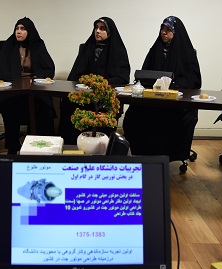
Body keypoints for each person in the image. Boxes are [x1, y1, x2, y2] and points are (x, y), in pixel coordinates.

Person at [123, 16, 201, 161]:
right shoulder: (155, 50)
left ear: (176, 32)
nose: (164, 32)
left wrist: (174, 84)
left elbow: (193, 81)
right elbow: (145, 74)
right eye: (162, 29)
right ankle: (141, 155)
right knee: (132, 116)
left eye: (169, 29)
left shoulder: (187, 53)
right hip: (153, 100)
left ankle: (164, 158)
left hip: (175, 102)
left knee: (166, 119)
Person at [59, 17, 130, 145]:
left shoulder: (118, 50)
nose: (97, 31)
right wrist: (87, 83)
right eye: (96, 28)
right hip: (85, 95)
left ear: (109, 32)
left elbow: (122, 78)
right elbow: (75, 75)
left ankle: (101, 147)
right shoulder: (87, 48)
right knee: (68, 103)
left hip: (104, 96)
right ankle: (70, 145)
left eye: (102, 29)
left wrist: (100, 85)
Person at [0, 17, 56, 154]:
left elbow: (48, 69)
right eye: (17, 28)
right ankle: (12, 147)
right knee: (10, 106)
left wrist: (36, 79)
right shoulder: (9, 45)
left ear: (29, 31)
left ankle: (41, 147)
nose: (18, 32)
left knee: (44, 107)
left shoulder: (38, 45)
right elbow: (0, 71)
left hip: (34, 88)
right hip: (13, 89)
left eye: (22, 29)